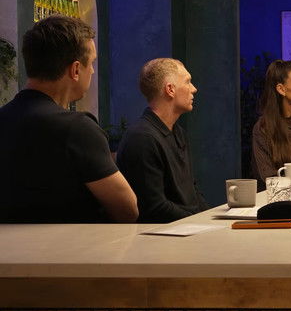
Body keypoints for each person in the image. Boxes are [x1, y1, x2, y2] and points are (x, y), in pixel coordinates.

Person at [0, 16, 138, 223]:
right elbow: (127, 209)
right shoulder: (77, 129)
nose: (92, 70)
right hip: (73, 243)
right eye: (91, 63)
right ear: (75, 70)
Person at [116, 58, 209, 223]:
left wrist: (211, 220)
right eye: (188, 82)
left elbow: (191, 192)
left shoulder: (178, 132)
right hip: (161, 234)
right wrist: (198, 222)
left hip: (186, 227)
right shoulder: (142, 138)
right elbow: (154, 207)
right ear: (170, 89)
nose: (194, 89)